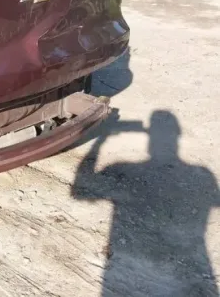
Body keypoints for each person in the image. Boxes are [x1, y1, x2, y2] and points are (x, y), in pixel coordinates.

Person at [72, 110, 219, 296]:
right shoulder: (203, 174)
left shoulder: (121, 167)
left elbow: (78, 192)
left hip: (124, 268)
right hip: (194, 262)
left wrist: (100, 140)